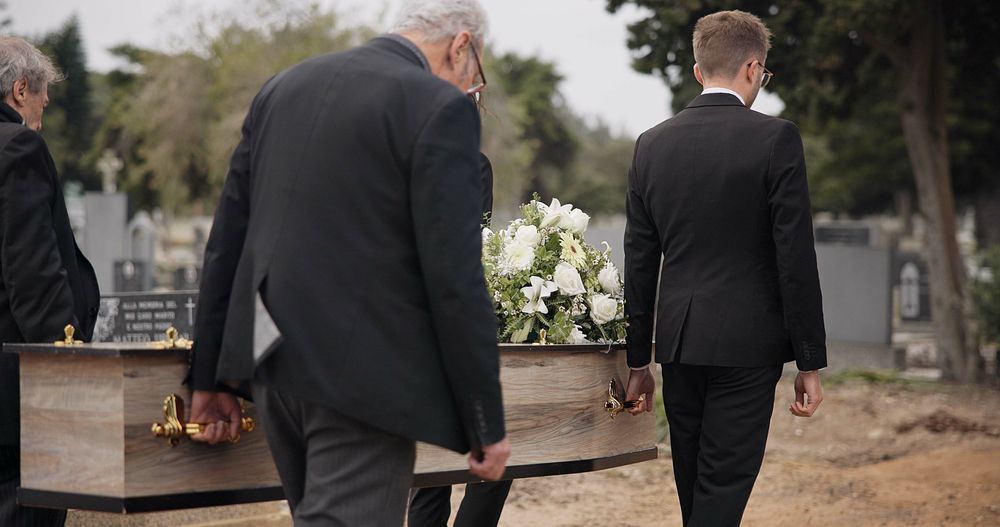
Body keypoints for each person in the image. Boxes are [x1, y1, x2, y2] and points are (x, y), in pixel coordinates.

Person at [184, 0, 510, 524]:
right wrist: (484, 420)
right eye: (477, 76)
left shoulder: (283, 87)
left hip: (274, 372)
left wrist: (211, 379)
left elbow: (228, 241)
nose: (472, 88)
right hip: (362, 381)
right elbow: (454, 278)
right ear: (461, 45)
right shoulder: (436, 106)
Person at [623, 10, 826, 526]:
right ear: (754, 69)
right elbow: (795, 256)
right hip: (748, 343)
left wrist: (637, 361)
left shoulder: (651, 144)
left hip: (679, 342)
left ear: (697, 71)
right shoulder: (777, 139)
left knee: (695, 487)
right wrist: (809, 361)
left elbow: (640, 259)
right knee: (722, 487)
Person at [0, 37, 100, 526]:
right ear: (19, 90)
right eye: (41, 94)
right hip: (15, 410)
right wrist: (71, 382)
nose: (44, 104)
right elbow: (34, 280)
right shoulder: (18, 148)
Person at [407, 153, 513, 527]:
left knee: (430, 472)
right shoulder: (472, 164)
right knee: (494, 463)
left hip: (404, 329)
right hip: (449, 326)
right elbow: (468, 253)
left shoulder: (390, 152)